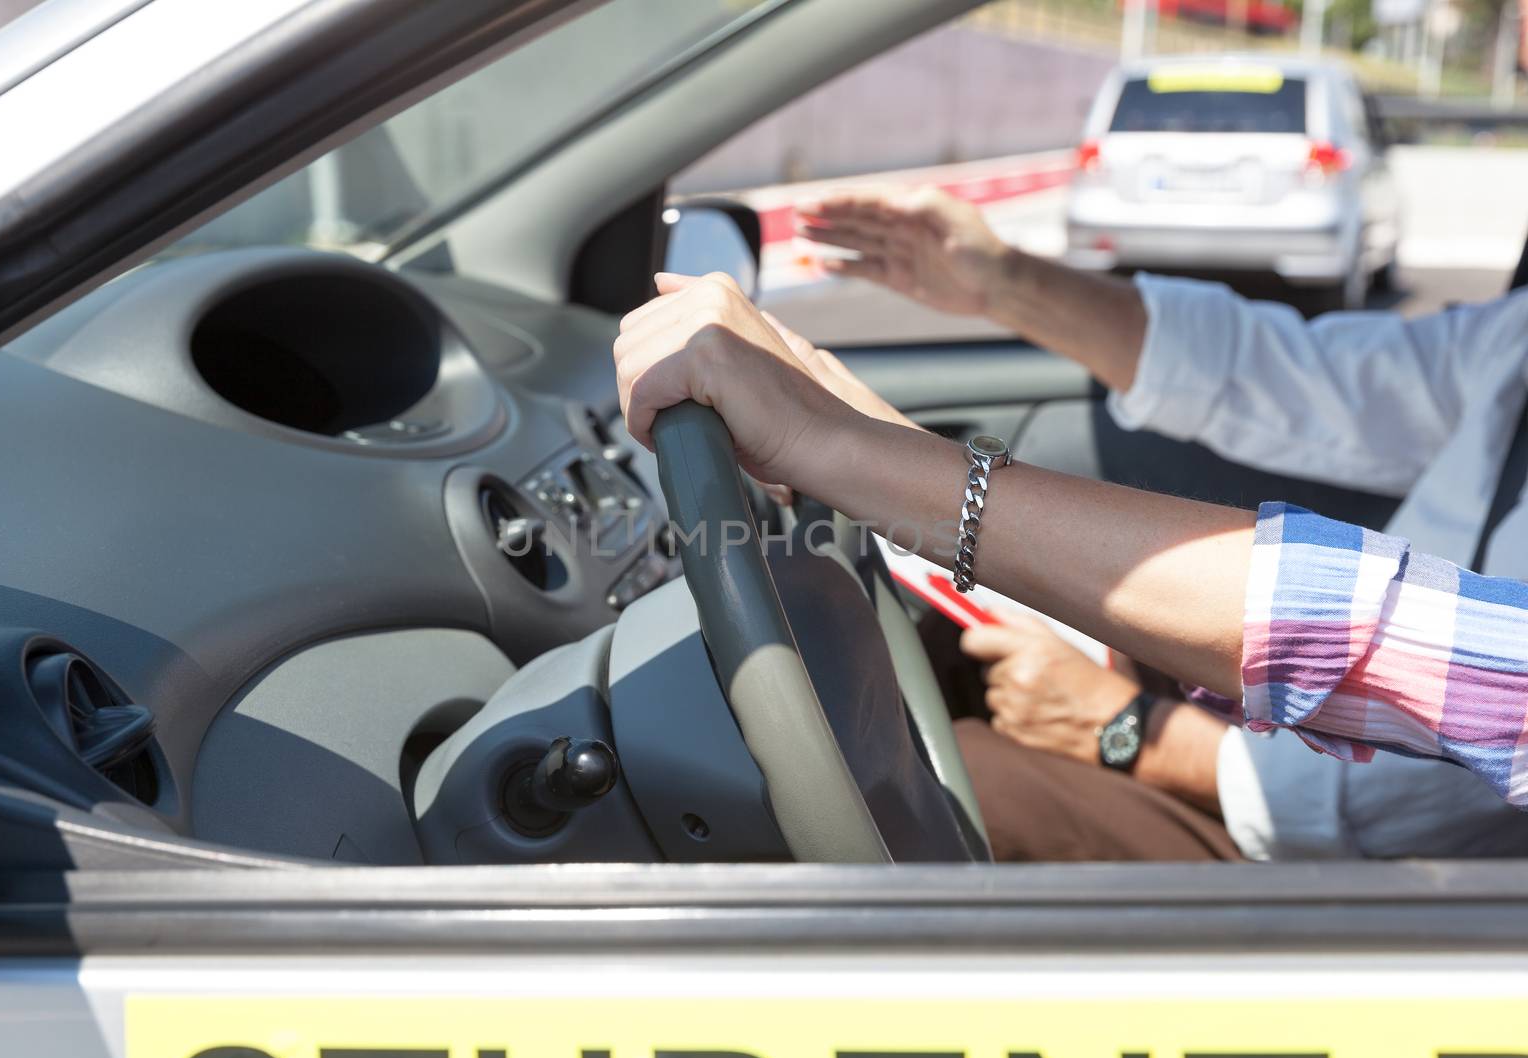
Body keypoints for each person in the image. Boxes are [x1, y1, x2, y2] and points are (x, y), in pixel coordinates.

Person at [609, 255, 1528, 844]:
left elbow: (1485, 679)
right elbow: (1294, 377)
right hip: (1312, 768)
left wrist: (1132, 732)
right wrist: (880, 433)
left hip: (1382, 878)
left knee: (923, 807)